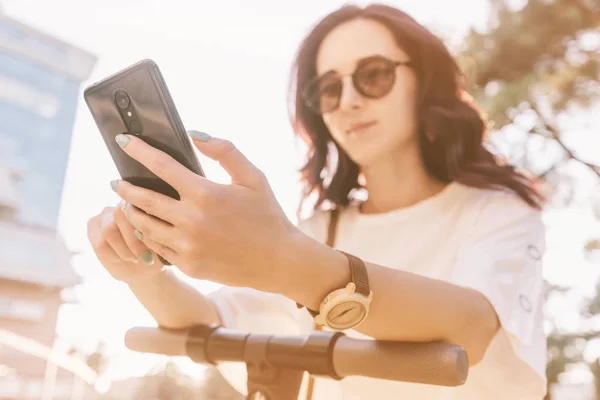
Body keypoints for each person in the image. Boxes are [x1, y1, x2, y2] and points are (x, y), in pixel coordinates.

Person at [86, 3, 547, 399]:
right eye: (329, 89)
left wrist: (288, 261)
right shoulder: (316, 231)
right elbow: (211, 324)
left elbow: (475, 324)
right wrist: (141, 274)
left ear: (424, 83)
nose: (348, 101)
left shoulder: (497, 211)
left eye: (373, 76)